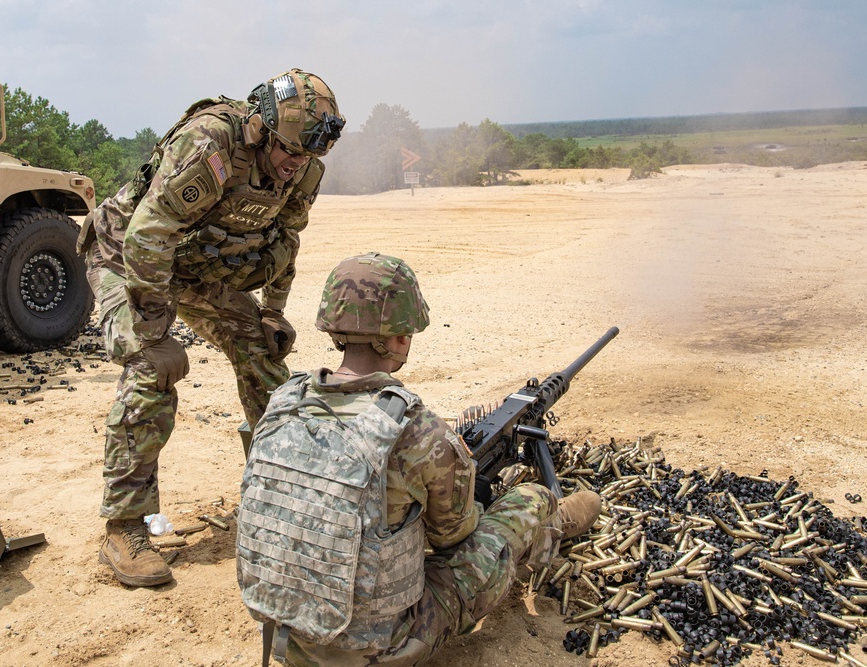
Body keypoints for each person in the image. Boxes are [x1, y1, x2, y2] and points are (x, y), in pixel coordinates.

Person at [236, 252, 602, 666]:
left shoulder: (282, 404)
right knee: (528, 500)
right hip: (377, 647)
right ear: (401, 337)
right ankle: (552, 523)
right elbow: (455, 536)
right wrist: (468, 483)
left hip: (288, 635)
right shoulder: (418, 430)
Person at [77, 68, 345, 588]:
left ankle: (282, 488)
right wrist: (155, 335)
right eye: (290, 150)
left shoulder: (304, 168)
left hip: (191, 266)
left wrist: (272, 310)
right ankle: (125, 525)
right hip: (124, 254)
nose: (296, 165)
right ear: (263, 128)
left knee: (262, 354)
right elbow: (146, 238)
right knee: (152, 370)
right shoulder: (211, 144)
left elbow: (284, 242)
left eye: (308, 156)